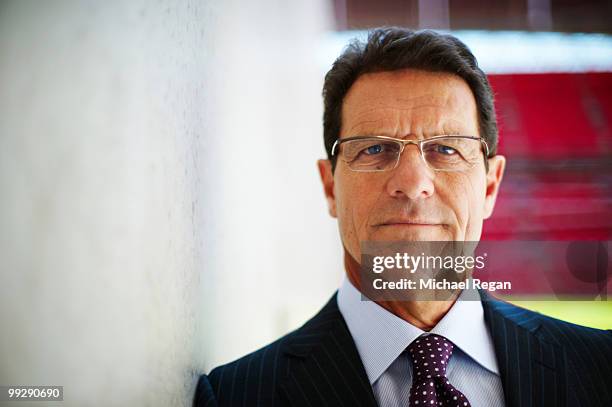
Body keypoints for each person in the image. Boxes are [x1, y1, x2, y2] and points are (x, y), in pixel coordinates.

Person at [194, 28, 612, 407]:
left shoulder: (601, 368)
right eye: (374, 149)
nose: (412, 183)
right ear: (330, 187)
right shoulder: (236, 396)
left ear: (489, 186)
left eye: (446, 149)